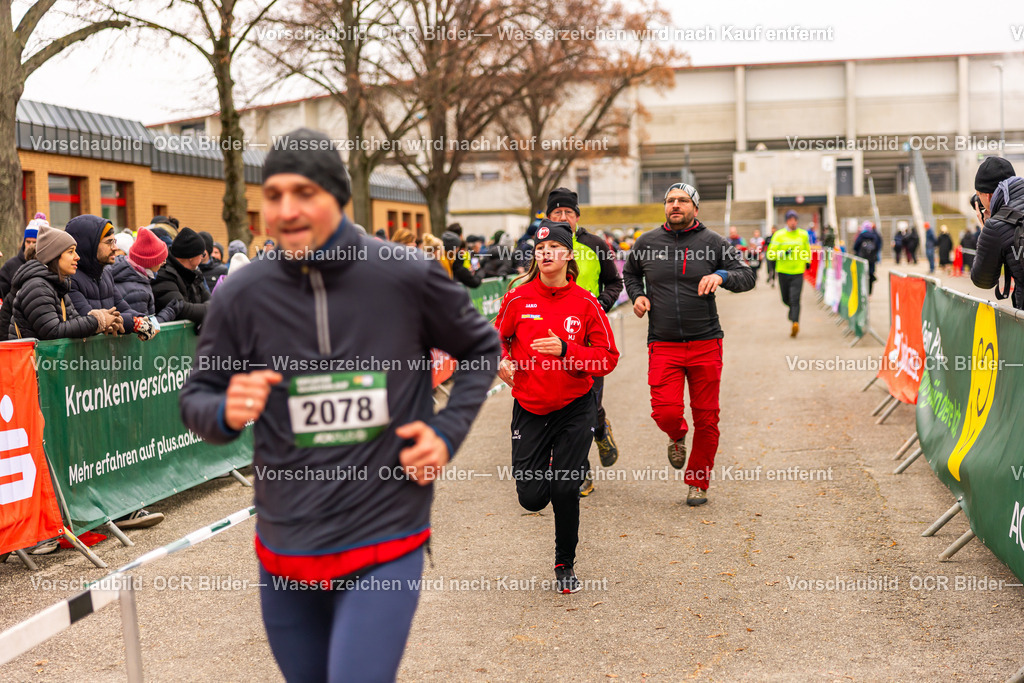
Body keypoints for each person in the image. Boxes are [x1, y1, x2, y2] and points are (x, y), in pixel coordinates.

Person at [179, 128, 500, 681]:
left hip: (385, 530)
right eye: (274, 195)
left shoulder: (406, 274)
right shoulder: (240, 294)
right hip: (285, 543)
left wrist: (445, 433)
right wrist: (227, 409)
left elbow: (480, 348)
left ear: (339, 198)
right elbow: (198, 400)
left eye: (304, 193)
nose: (286, 209)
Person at [495, 219, 618, 592]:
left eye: (554, 248)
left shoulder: (585, 303)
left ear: (568, 255)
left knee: (565, 488)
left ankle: (565, 563)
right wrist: (500, 361)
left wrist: (567, 350)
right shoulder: (517, 297)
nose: (545, 253)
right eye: (540, 248)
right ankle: (548, 471)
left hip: (573, 407)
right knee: (531, 498)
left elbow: (607, 359)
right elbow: (495, 340)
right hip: (530, 407)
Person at [622, 183, 755, 506]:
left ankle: (698, 482)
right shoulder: (647, 242)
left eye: (682, 200)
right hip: (663, 344)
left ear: (695, 208)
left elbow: (747, 275)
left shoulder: (713, 243)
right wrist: (638, 296)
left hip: (705, 342)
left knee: (707, 419)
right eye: (670, 201)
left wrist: (722, 275)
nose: (675, 205)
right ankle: (676, 434)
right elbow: (629, 274)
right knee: (665, 412)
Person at [545, 187, 623, 496]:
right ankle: (580, 473)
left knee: (589, 403)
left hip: (589, 339)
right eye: (557, 213)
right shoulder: (542, 246)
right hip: (551, 338)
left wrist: (599, 306)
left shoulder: (595, 245)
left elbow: (615, 282)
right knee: (557, 405)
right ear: (548, 217)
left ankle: (601, 431)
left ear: (578, 217)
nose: (563, 217)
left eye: (568, 213)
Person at [6, 225, 114, 340]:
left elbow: (73, 323)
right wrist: (97, 321)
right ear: (54, 255)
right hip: (35, 358)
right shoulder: (37, 286)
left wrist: (104, 322)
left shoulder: (57, 285)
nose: (77, 257)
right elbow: (53, 331)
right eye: (70, 251)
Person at [65, 215, 159, 341]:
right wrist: (134, 323)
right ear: (89, 245)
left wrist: (143, 319)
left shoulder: (105, 274)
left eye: (114, 241)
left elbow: (122, 307)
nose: (115, 248)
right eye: (109, 242)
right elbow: (90, 320)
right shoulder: (70, 279)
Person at [970, 157, 1024, 308]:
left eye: (978, 195)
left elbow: (982, 280)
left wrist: (985, 229)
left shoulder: (997, 226)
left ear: (988, 196)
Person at [110, 228, 182, 324]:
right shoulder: (138, 292)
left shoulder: (130, 272)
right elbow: (144, 330)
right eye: (161, 259)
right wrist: (168, 313)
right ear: (150, 262)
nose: (164, 263)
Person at [152, 228, 212, 327]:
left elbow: (210, 299)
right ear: (191, 257)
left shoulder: (193, 273)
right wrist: (211, 309)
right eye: (202, 254)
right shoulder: (163, 274)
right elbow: (180, 308)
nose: (203, 258)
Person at [766, 210, 811, 337]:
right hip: (783, 272)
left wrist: (808, 261)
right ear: (787, 221)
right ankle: (792, 312)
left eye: (795, 220)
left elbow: (807, 249)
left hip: (798, 271)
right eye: (790, 220)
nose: (793, 222)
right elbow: (770, 254)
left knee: (796, 299)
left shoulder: (803, 234)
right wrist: (782, 253)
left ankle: (795, 323)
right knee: (786, 299)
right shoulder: (779, 235)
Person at [0, 217, 44, 299]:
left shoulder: (47, 265)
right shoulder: (11, 265)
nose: (30, 245)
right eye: (28, 241)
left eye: (34, 242)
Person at [853, 221, 882, 295]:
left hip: (861, 258)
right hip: (872, 258)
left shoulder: (861, 235)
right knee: (871, 275)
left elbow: (855, 246)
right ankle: (869, 293)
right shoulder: (874, 235)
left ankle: (862, 292)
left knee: (861, 274)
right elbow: (878, 246)